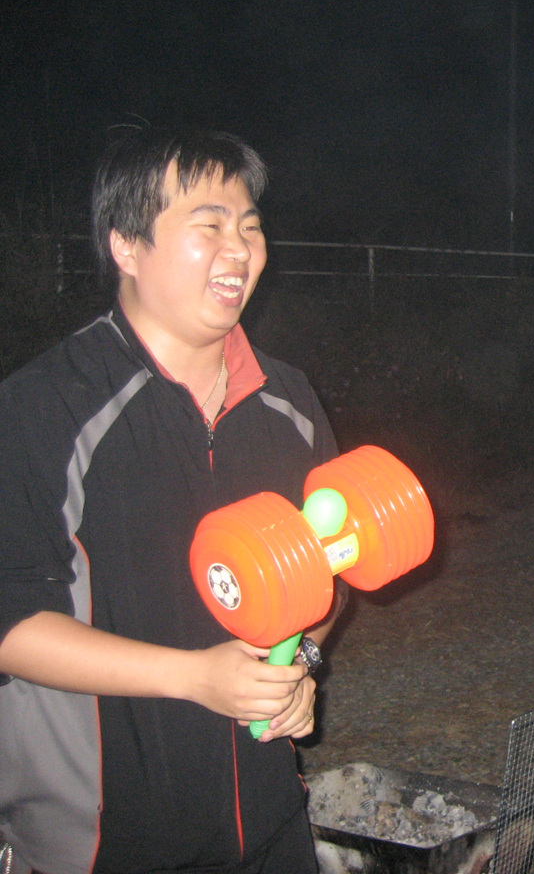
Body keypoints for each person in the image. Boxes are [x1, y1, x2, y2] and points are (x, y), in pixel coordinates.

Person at [0, 128, 344, 873]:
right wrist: (195, 678)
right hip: (105, 846)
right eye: (209, 225)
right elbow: (11, 623)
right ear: (127, 246)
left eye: (249, 226)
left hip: (273, 830)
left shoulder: (287, 401)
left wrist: (302, 664)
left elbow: (328, 568)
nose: (239, 248)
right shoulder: (44, 409)